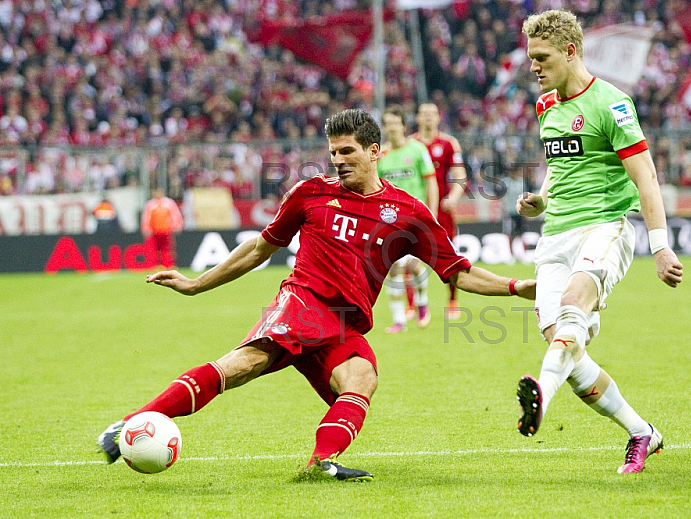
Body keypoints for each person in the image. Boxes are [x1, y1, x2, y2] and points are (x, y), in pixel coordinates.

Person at [98, 109, 536, 481]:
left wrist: (517, 288)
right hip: (303, 304)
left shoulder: (407, 213)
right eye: (334, 152)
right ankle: (128, 425)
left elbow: (457, 271)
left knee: (362, 377)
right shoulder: (310, 194)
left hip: (345, 320)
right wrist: (197, 285)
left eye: (348, 151)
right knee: (244, 365)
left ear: (374, 151)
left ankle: (320, 465)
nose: (339, 160)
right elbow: (258, 249)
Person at [514, 10, 683, 474]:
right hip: (555, 237)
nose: (533, 65)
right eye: (531, 57)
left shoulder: (613, 103)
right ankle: (641, 432)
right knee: (565, 347)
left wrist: (660, 244)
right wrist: (542, 200)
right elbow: (560, 165)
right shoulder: (547, 105)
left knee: (573, 308)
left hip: (604, 227)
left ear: (570, 52)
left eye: (541, 56)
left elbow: (646, 176)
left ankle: (539, 397)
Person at [377, 105, 439, 333]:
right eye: (388, 123)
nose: (392, 127)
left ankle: (422, 303)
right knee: (392, 268)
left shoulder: (417, 150)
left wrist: (431, 213)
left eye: (396, 122)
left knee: (414, 265)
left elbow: (430, 181)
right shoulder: (380, 156)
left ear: (403, 125)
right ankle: (399, 320)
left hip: (416, 218)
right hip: (389, 221)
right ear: (384, 127)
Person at [413, 102, 468, 319]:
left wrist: (453, 197)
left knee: (449, 254)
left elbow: (460, 175)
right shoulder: (411, 144)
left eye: (432, 114)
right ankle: (412, 305)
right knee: (406, 254)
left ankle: (453, 300)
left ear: (438, 118)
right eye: (423, 113)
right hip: (416, 207)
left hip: (442, 209)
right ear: (418, 118)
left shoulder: (448, 143)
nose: (428, 117)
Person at [141, 188, 184, 268]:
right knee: (155, 250)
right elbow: (146, 217)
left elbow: (175, 215)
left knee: (168, 249)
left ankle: (169, 265)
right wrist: (146, 228)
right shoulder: (150, 204)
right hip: (155, 231)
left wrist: (177, 225)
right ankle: (156, 265)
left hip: (166, 230)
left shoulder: (169, 203)